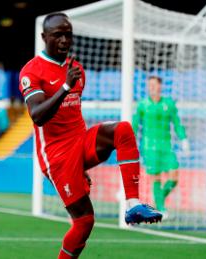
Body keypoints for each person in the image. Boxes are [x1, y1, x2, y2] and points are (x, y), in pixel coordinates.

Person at [18, 13, 162, 259]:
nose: (64, 40)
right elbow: (38, 116)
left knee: (123, 130)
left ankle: (132, 204)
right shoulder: (32, 71)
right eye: (57, 35)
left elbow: (74, 114)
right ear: (44, 38)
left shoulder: (77, 70)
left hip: (79, 142)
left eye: (68, 34)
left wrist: (82, 162)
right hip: (58, 158)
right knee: (84, 222)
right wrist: (64, 87)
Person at [132, 76, 190, 215]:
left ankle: (158, 201)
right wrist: (130, 142)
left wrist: (184, 139)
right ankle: (161, 209)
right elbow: (135, 125)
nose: (151, 87)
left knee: (174, 177)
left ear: (160, 86)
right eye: (149, 85)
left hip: (166, 147)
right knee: (156, 178)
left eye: (153, 84)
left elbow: (177, 123)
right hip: (149, 148)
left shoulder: (169, 104)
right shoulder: (142, 105)